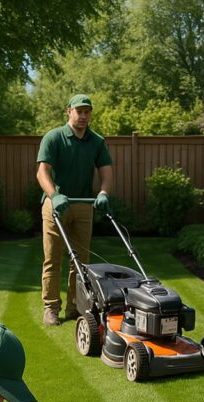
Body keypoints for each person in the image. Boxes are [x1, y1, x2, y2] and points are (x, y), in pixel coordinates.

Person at [36, 94, 114, 326]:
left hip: (83, 204)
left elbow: (106, 172)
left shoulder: (97, 142)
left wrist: (103, 193)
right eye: (78, 111)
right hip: (56, 204)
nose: (83, 116)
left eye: (87, 111)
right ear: (68, 111)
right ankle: (51, 308)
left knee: (81, 262)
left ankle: (75, 307)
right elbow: (42, 172)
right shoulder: (54, 137)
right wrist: (54, 194)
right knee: (53, 259)